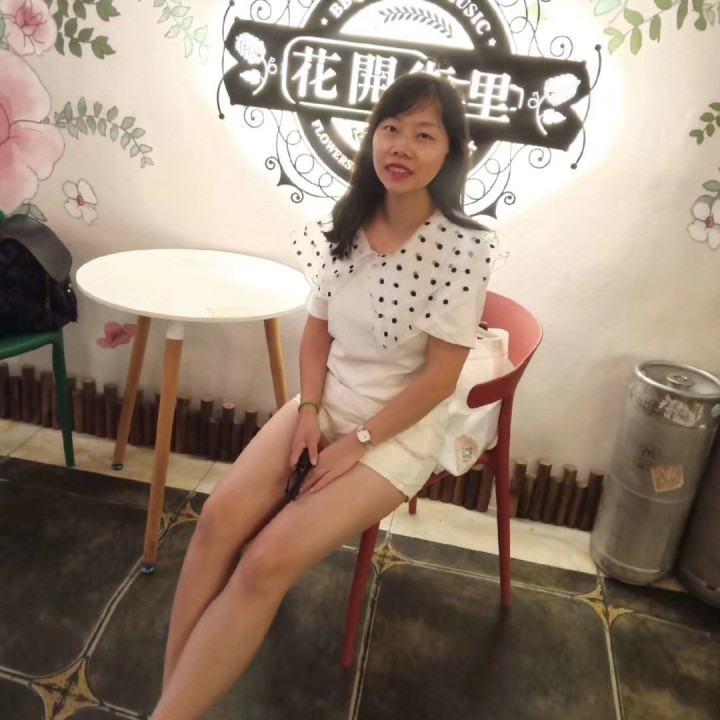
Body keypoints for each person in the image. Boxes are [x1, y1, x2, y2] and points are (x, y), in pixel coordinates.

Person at [150, 72, 496, 720]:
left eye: (424, 135)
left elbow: (439, 380)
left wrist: (358, 442)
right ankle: (174, 705)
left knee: (264, 564)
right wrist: (309, 410)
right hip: (328, 403)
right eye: (390, 128)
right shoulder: (347, 221)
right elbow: (316, 334)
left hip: (396, 433)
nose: (401, 146)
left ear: (452, 151)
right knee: (217, 521)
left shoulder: (464, 246)